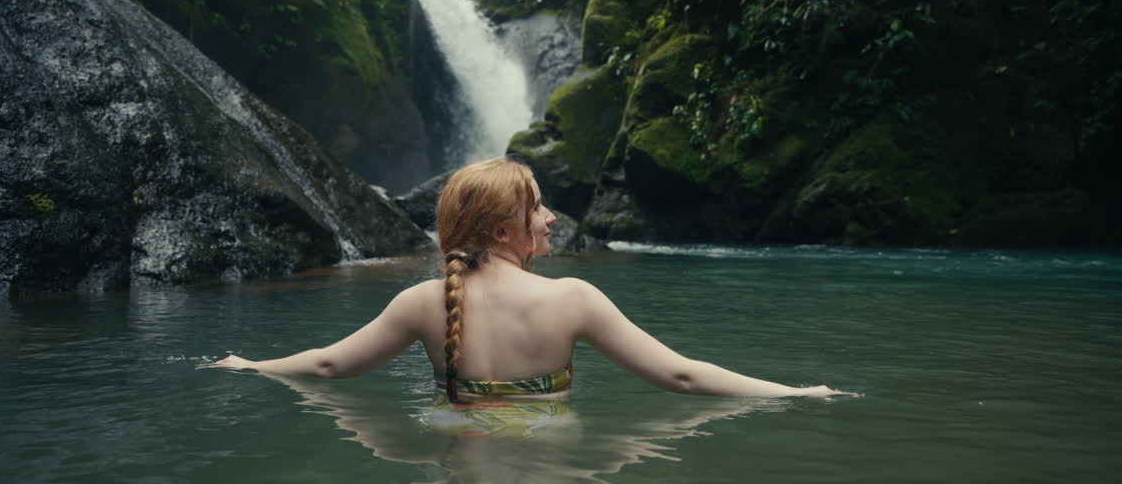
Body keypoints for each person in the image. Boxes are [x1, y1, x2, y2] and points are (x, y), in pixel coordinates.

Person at [199, 158, 847, 400]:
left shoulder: (422, 302)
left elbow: (326, 366)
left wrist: (248, 365)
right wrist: (794, 392)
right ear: (502, 231)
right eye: (537, 208)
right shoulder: (572, 299)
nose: (552, 217)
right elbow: (680, 376)